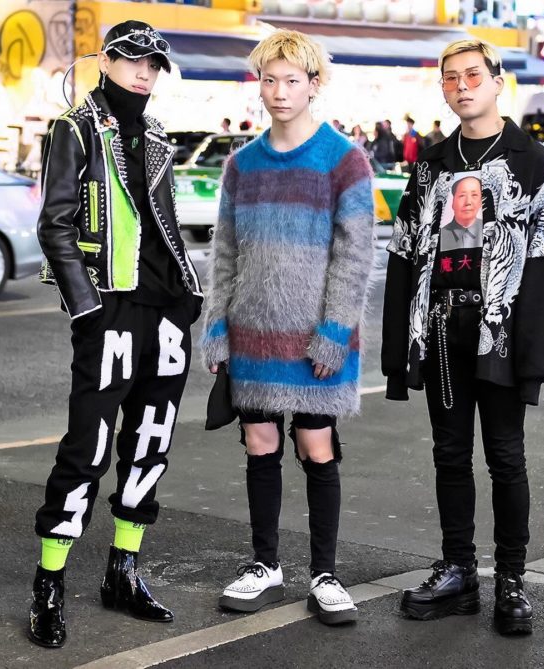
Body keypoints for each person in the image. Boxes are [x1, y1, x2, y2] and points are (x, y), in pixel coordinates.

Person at [382, 39, 544, 636]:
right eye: (450, 78)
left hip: (501, 334)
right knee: (449, 453)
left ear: (496, 81)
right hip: (441, 329)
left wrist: (534, 358)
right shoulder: (432, 163)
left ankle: (511, 580)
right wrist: (398, 347)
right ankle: (459, 570)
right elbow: (404, 251)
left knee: (506, 457)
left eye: (471, 75)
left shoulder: (532, 162)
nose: (461, 86)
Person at [28, 20, 203, 648]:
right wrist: (86, 308)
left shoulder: (155, 132)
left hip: (166, 312)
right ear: (105, 60)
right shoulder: (74, 127)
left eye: (154, 63)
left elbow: (164, 222)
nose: (144, 71)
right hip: (109, 309)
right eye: (132, 59)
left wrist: (188, 294)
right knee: (88, 447)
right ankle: (49, 583)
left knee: (150, 443)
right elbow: (55, 225)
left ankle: (123, 571)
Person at [202, 29, 373, 626]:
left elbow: (355, 255)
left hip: (315, 340)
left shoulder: (344, 159)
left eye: (291, 80)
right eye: (269, 80)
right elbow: (224, 253)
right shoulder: (242, 165)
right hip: (252, 333)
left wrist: (335, 330)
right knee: (259, 444)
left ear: (313, 85)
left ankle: (325, 574)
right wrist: (215, 325)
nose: (278, 91)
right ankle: (265, 565)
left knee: (315, 447)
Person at [440, 175, 483, 251]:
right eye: (462, 196)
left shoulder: (489, 231)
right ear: (453, 202)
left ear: (480, 202)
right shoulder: (440, 236)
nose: (468, 202)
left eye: (474, 195)